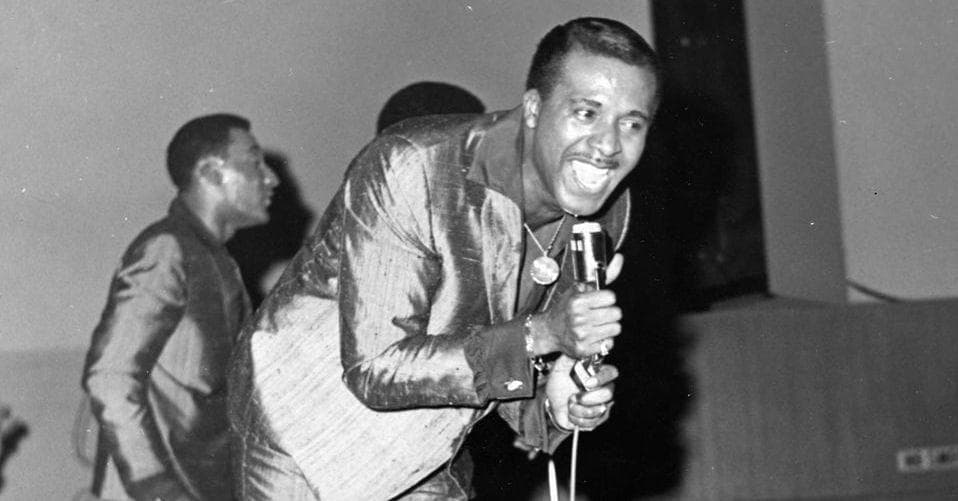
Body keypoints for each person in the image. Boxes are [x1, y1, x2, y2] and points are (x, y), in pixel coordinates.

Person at [228, 17, 660, 500]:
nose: (608, 146)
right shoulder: (411, 166)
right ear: (534, 108)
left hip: (425, 447)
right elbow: (378, 368)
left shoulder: (608, 214)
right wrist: (545, 334)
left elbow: (509, 355)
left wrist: (558, 405)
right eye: (586, 113)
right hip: (302, 427)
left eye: (631, 124)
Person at [82, 113, 279, 501]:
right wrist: (155, 484)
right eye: (255, 161)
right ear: (210, 172)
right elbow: (110, 376)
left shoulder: (218, 262)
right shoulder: (166, 250)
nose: (270, 178)